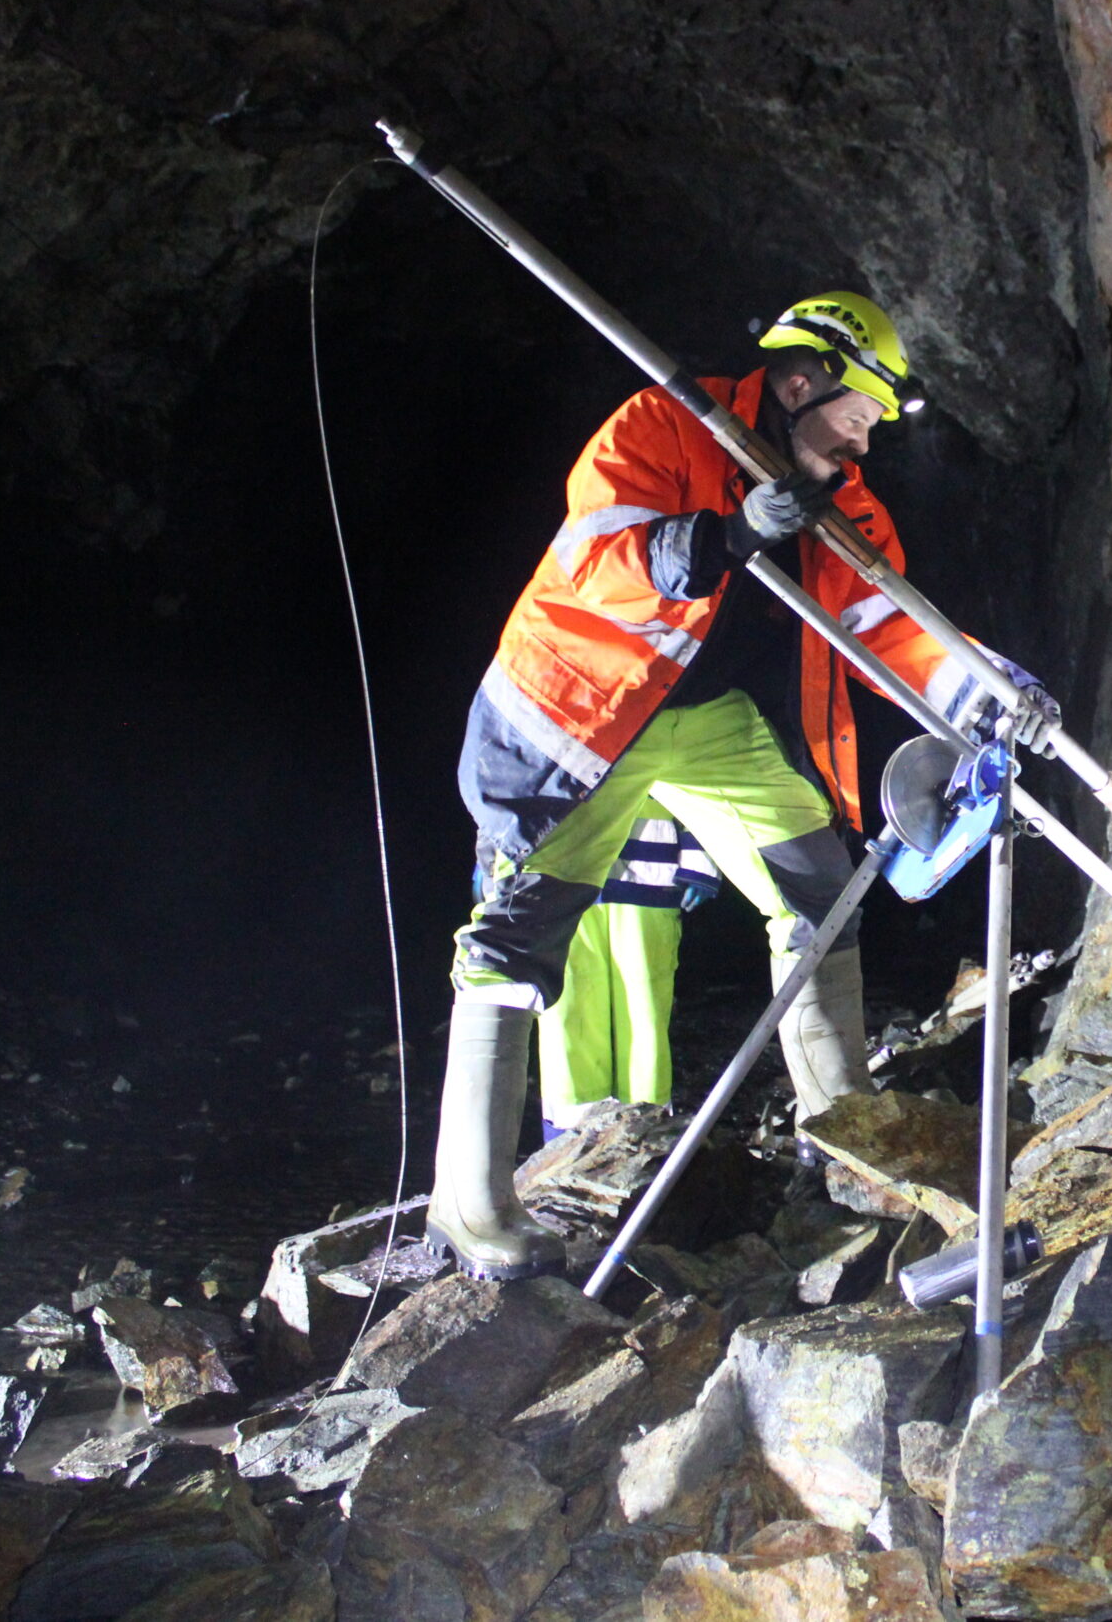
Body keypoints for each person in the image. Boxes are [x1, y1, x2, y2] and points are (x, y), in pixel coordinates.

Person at [429, 291, 1049, 1278]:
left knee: (819, 889)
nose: (865, 445)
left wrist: (991, 692)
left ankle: (842, 1158)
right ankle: (471, 1204)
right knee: (516, 936)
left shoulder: (843, 506)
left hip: (711, 723)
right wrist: (727, 532)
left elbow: (891, 625)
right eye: (857, 418)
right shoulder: (661, 425)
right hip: (590, 715)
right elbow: (596, 559)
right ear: (800, 383)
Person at [536, 800, 719, 1134]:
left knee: (644, 1008)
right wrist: (497, 859)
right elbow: (512, 773)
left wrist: (701, 860)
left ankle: (646, 1130)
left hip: (648, 878)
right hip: (557, 876)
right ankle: (569, 1135)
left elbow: (700, 780)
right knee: (565, 1005)